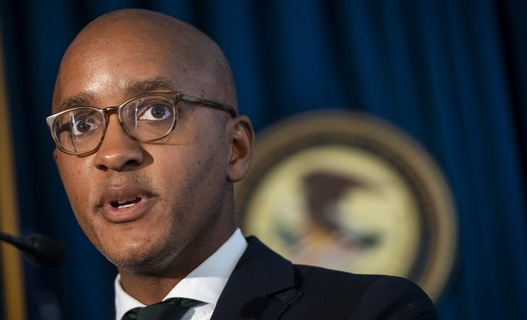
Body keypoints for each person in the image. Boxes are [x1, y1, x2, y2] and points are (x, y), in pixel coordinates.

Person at [46, 8, 438, 320]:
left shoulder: (370, 311)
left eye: (154, 111)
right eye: (80, 124)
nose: (113, 153)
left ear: (235, 149)